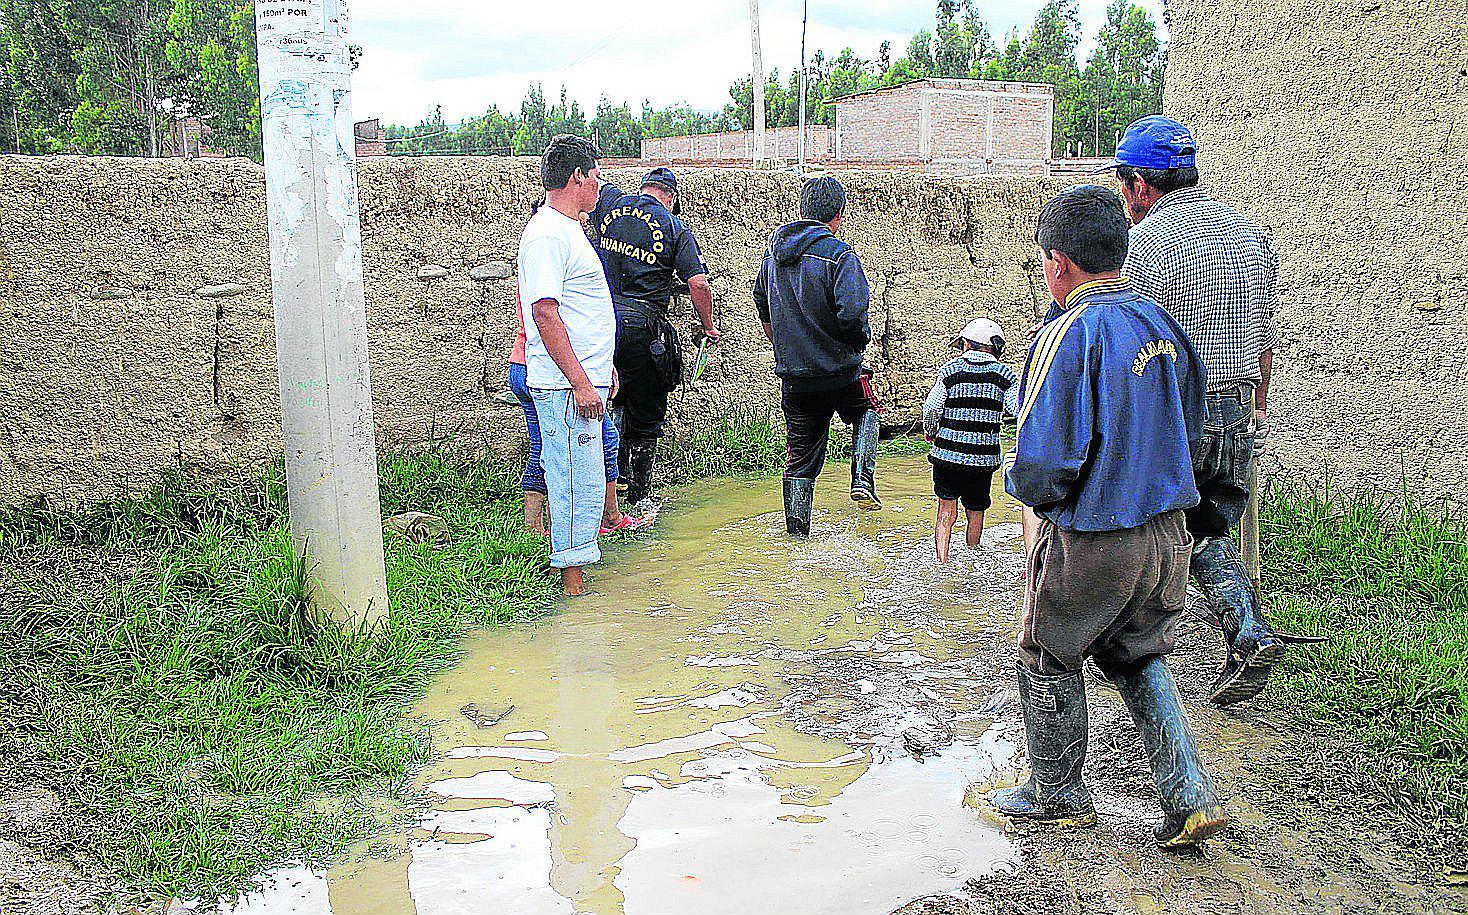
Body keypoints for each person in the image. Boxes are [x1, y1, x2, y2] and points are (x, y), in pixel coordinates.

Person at [986, 185, 1228, 849]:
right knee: (1137, 651)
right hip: (1167, 535)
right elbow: (1198, 432)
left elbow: (1041, 462)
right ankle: (1188, 792)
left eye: (1044, 262)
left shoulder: (1067, 332)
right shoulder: (1163, 325)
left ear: (1057, 264)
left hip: (1097, 536)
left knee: (1044, 650)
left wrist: (1022, 487)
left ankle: (1056, 792)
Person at [1103, 115, 1287, 707]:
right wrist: (1255, 401)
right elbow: (1263, 331)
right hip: (1234, 408)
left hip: (1178, 412)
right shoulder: (1250, 235)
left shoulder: (1142, 246)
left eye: (1121, 181)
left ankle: (1139, 649)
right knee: (1213, 529)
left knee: (1162, 529)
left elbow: (1134, 338)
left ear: (1139, 184)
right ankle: (1247, 634)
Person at [753, 176, 880, 537]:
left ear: (803, 210)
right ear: (838, 214)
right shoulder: (840, 256)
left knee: (800, 457)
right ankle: (862, 479)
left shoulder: (773, 256)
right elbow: (853, 314)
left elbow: (762, 305)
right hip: (841, 372)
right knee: (865, 411)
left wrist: (783, 346)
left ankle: (796, 535)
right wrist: (856, 344)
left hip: (795, 378)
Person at [517, 135, 616, 596]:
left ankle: (576, 580)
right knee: (573, 480)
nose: (599, 185)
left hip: (579, 380)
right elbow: (544, 311)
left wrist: (601, 368)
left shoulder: (566, 230)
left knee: (584, 478)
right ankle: (573, 590)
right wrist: (580, 381)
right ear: (578, 176)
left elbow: (577, 310)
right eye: (595, 176)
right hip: (563, 386)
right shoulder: (547, 234)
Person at [591, 167, 720, 506]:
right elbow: (698, 284)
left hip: (600, 322)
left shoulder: (612, 203)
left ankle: (608, 493)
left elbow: (597, 182)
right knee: (646, 414)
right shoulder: (675, 227)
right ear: (672, 198)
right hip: (642, 328)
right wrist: (708, 326)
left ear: (643, 188)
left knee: (610, 402)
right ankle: (638, 496)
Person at [507, 285, 647, 538]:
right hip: (554, 370)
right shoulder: (557, 268)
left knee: (543, 446)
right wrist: (586, 377)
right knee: (605, 440)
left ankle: (536, 527)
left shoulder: (536, 266)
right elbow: (566, 325)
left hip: (522, 364)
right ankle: (609, 516)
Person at [922, 318, 1019, 563]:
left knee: (946, 510)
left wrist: (931, 431)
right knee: (976, 510)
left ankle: (942, 561)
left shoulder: (950, 370)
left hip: (947, 456)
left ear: (966, 344)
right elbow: (1017, 408)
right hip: (983, 459)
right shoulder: (1005, 375)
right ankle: (973, 555)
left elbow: (932, 408)